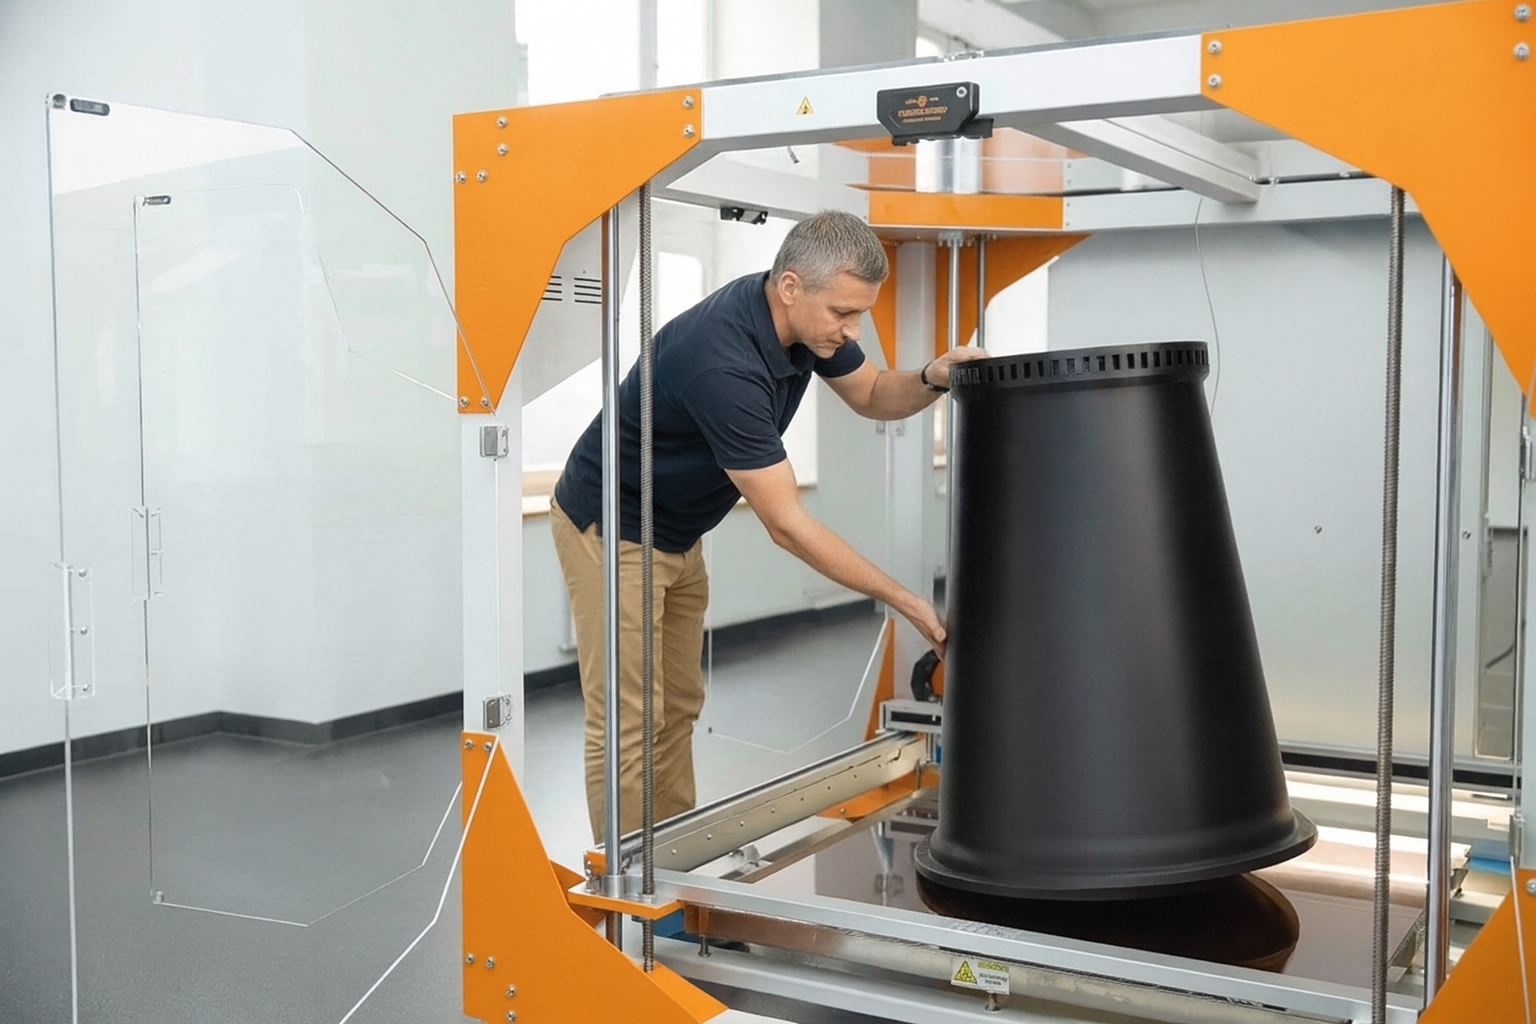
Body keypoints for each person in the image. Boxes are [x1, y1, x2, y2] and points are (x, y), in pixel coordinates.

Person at [550, 210, 986, 840]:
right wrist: (907, 602)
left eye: (859, 312)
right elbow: (785, 524)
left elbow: (871, 395)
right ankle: (632, 892)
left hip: (676, 528)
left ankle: (672, 859)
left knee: (677, 706)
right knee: (629, 719)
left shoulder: (806, 328)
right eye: (843, 312)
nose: (852, 329)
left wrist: (931, 377)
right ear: (789, 287)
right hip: (613, 526)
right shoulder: (722, 363)